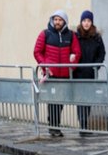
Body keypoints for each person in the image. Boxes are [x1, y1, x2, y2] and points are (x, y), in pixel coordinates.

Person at [33, 9, 80, 137]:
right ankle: (54, 127)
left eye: (60, 20)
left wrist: (72, 67)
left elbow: (77, 52)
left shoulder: (71, 35)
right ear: (52, 21)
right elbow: (37, 52)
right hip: (51, 74)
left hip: (64, 75)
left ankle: (54, 126)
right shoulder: (45, 34)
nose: (57, 22)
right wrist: (45, 66)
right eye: (55, 19)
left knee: (60, 102)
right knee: (52, 101)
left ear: (64, 21)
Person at [74, 10, 106, 136]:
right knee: (81, 100)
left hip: (91, 73)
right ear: (81, 22)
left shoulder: (97, 37)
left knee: (88, 100)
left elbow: (101, 53)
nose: (86, 23)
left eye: (88, 21)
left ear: (91, 22)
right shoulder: (76, 36)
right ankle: (82, 126)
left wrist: (96, 66)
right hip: (78, 73)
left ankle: (85, 125)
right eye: (84, 21)